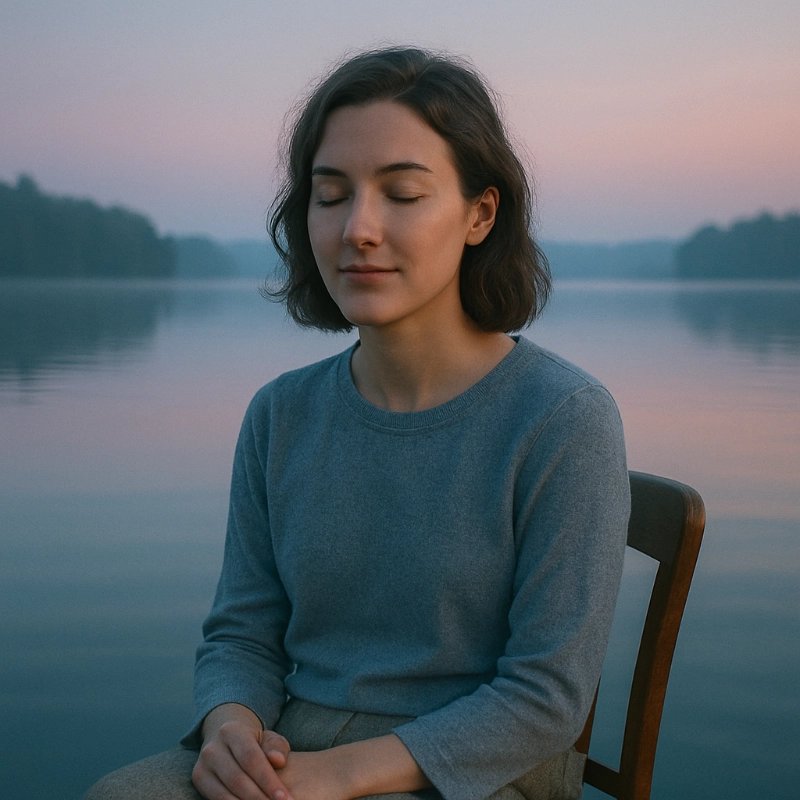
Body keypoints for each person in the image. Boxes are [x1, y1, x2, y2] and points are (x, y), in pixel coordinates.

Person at [85, 47, 629, 800]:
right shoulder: (281, 414)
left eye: (403, 194)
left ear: (480, 214)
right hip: (291, 748)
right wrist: (231, 729)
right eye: (330, 194)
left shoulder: (564, 418)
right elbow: (243, 633)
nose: (358, 229)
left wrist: (336, 777)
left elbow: (546, 698)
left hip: (480, 770)